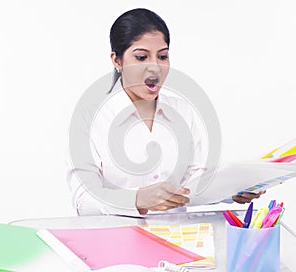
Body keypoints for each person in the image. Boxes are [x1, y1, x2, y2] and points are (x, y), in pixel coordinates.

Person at [67, 8, 264, 216]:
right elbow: (83, 200)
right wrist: (137, 200)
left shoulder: (183, 111)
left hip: (179, 238)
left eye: (162, 56)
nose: (155, 68)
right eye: (142, 57)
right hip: (118, 240)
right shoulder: (89, 119)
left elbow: (194, 188)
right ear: (117, 60)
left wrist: (230, 192)